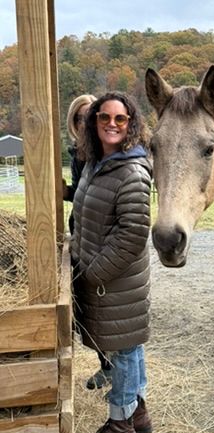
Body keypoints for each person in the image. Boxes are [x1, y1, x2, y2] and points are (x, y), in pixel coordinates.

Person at [71, 91, 153, 433]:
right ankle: (138, 412)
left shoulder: (131, 171)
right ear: (94, 122)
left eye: (120, 119)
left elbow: (132, 234)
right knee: (128, 348)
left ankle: (120, 427)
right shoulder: (96, 163)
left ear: (131, 124)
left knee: (123, 351)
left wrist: (93, 272)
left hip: (114, 281)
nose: (112, 125)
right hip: (108, 279)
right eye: (104, 118)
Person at [63, 93, 112, 390]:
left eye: (89, 116)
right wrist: (64, 192)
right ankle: (106, 366)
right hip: (80, 235)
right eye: (78, 117)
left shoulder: (104, 154)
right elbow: (81, 195)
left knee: (107, 312)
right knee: (85, 312)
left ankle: (122, 381)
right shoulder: (78, 154)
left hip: (100, 240)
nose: (83, 122)